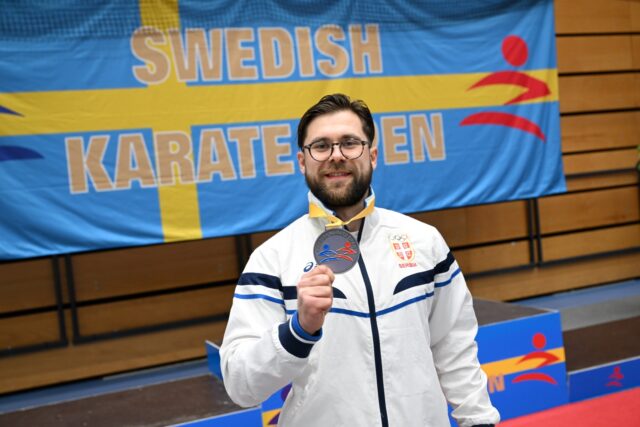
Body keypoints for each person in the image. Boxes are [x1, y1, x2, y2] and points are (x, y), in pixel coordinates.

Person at [220, 94, 500, 426]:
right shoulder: (272, 260)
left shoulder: (424, 241)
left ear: (372, 155)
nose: (336, 155)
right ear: (302, 161)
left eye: (350, 143)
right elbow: (241, 385)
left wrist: (478, 419)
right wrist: (299, 329)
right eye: (321, 146)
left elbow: (454, 346)